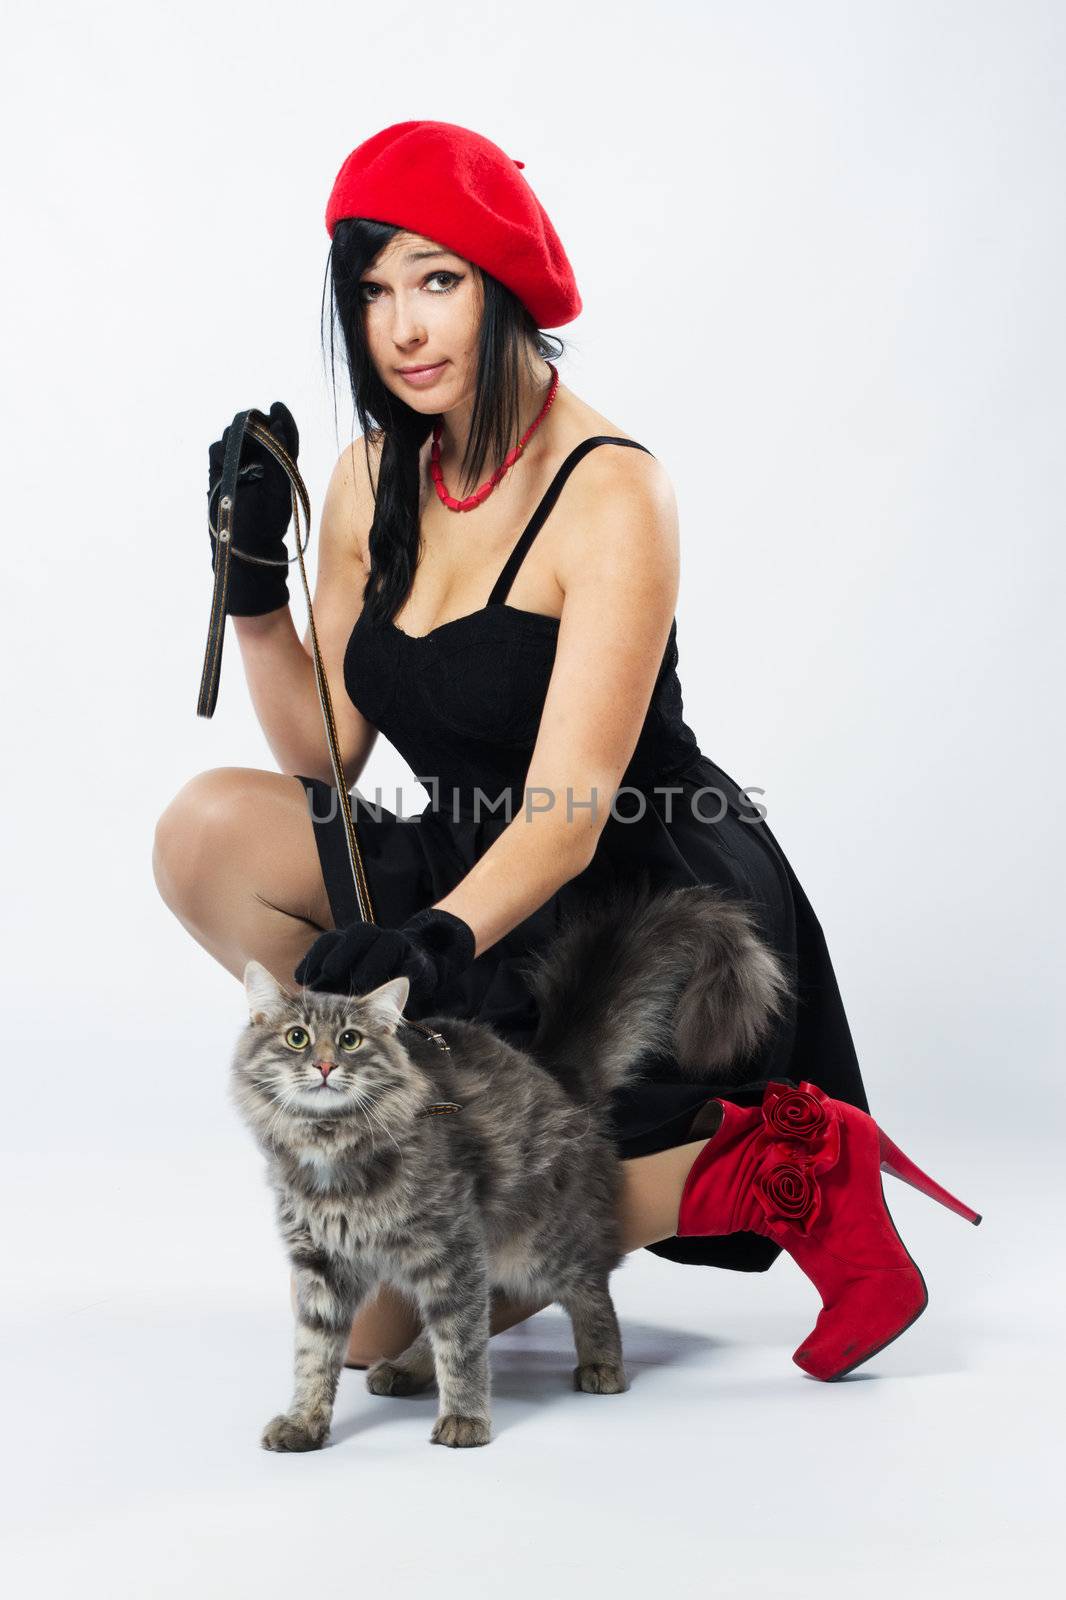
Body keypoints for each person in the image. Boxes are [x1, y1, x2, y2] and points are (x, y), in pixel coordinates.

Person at [154, 121, 979, 1382]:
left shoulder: (611, 491)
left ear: (503, 286)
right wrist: (253, 582)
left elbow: (570, 809)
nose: (404, 328)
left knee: (386, 1345)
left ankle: (784, 1166)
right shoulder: (375, 475)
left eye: (437, 280)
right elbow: (323, 752)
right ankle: (431, 1120)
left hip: (627, 891)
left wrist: (431, 944)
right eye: (372, 291)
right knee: (206, 829)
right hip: (467, 849)